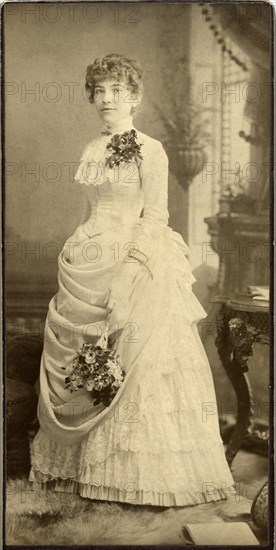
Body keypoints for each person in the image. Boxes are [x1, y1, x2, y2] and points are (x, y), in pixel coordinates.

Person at [29, 53, 236, 507]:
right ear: (91, 97)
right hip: (89, 254)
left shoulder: (153, 149)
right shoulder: (91, 147)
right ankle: (82, 469)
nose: (107, 99)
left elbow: (156, 216)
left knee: (138, 358)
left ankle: (139, 475)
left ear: (135, 98)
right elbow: (87, 208)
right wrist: (73, 244)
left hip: (135, 257)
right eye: (99, 91)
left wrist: (131, 269)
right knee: (88, 358)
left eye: (117, 91)